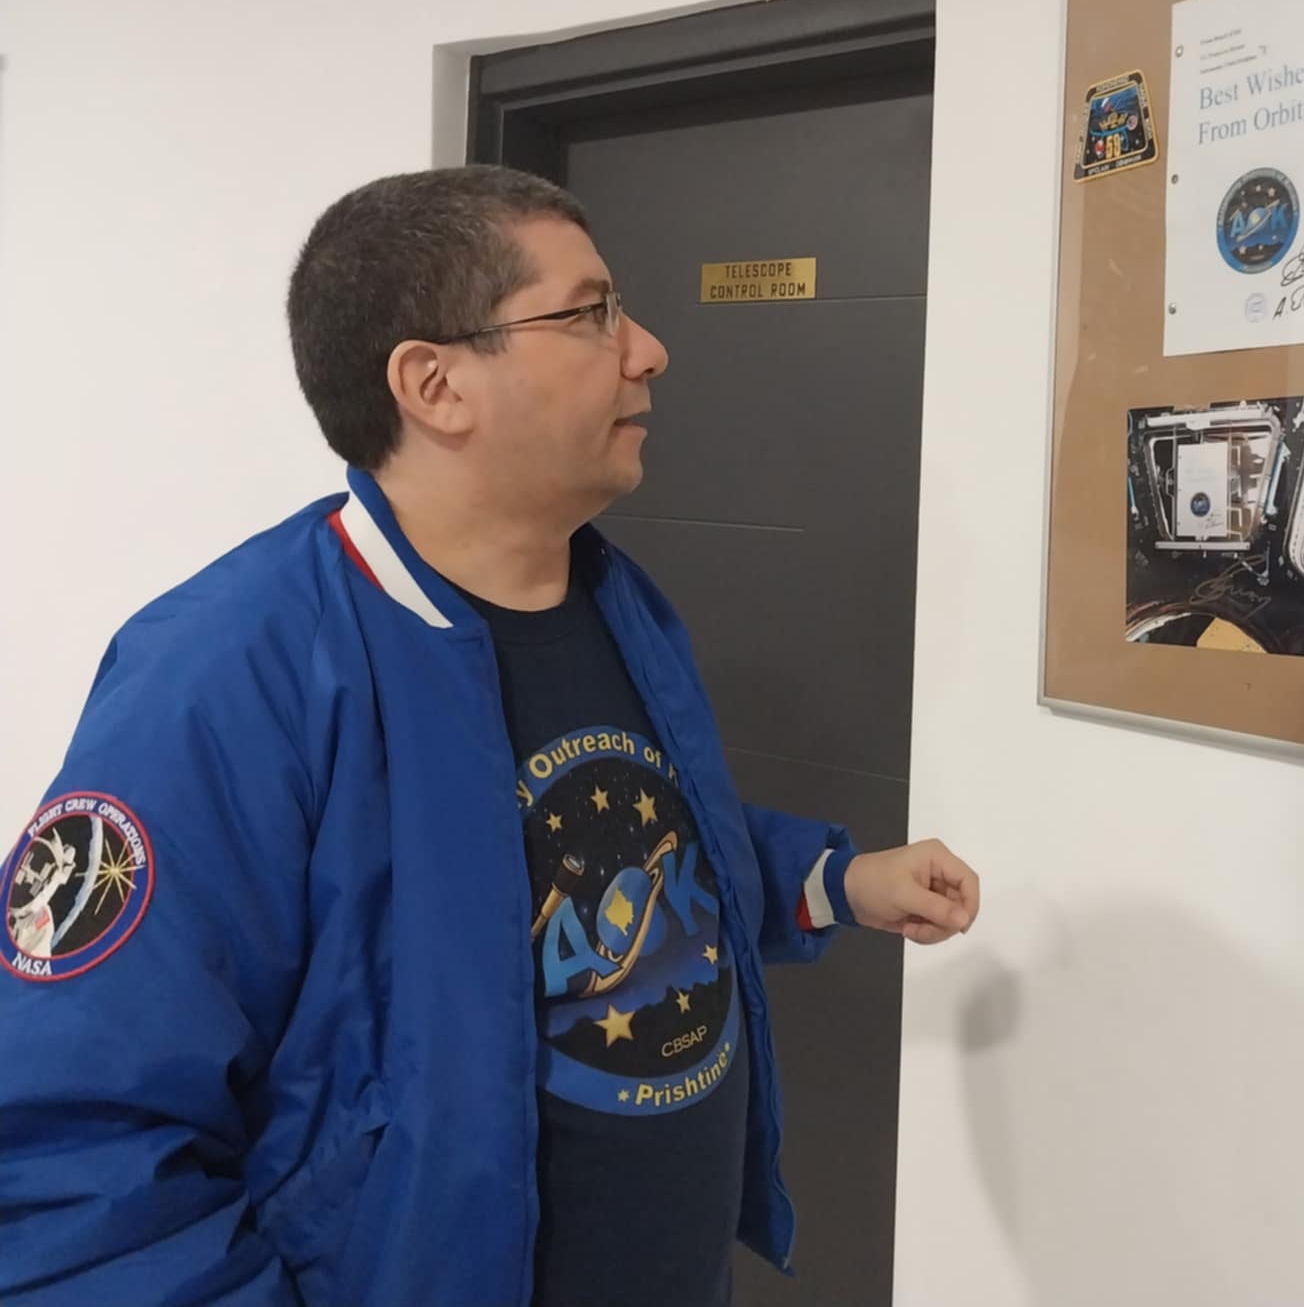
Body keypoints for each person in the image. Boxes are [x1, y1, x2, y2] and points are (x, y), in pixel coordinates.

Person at [0, 166, 981, 1307]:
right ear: (434, 384)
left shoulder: (616, 602)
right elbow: (72, 1158)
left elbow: (615, 851)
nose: (648, 348)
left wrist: (830, 879)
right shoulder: (225, 672)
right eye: (590, 313)